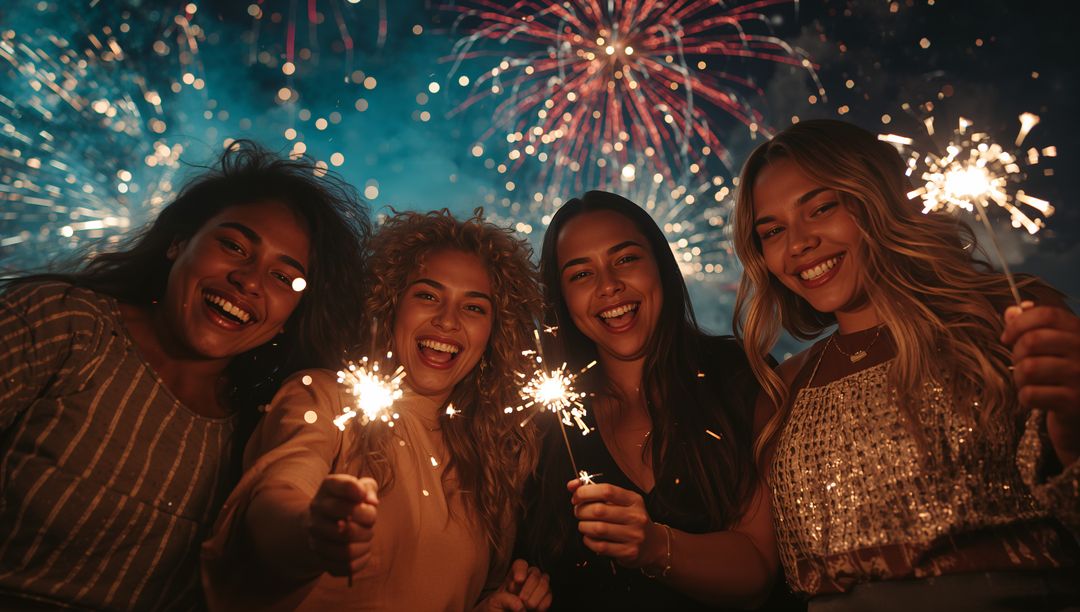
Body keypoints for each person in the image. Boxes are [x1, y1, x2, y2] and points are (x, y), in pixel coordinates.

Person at [0, 141, 371, 610]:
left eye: (285, 278)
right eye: (233, 246)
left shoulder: (255, 427)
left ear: (294, 316)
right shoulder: (65, 323)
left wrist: (319, 533)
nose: (250, 281)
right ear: (179, 242)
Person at [732, 118, 1080, 609]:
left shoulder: (1006, 317)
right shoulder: (783, 389)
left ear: (876, 197)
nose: (798, 243)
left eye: (822, 208)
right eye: (772, 231)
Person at [203, 209, 552, 611]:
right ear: (390, 304)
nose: (447, 321)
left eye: (473, 308)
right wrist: (311, 530)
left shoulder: (495, 456)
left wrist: (499, 601)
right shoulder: (326, 397)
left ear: (495, 332)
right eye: (427, 295)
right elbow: (274, 499)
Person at [519, 190, 782, 610]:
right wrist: (516, 584)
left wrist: (655, 546)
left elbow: (759, 571)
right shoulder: (543, 426)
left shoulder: (739, 375)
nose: (609, 286)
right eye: (581, 274)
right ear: (561, 301)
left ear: (661, 263)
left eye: (625, 259)